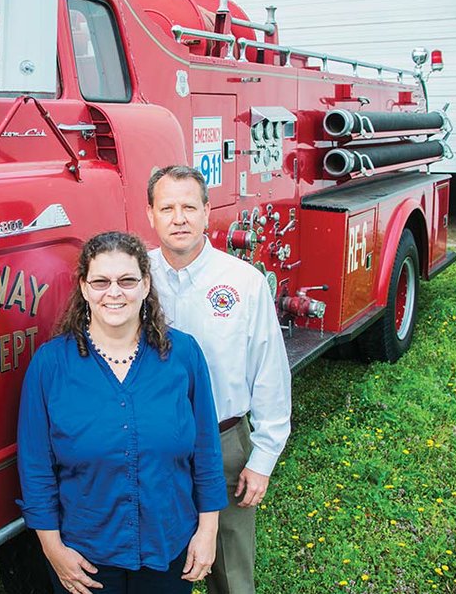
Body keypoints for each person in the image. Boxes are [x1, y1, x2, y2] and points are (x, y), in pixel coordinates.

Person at [17, 231, 228, 594]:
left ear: (146, 285)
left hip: (168, 546)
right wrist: (53, 550)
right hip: (85, 557)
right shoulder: (50, 366)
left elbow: (206, 453)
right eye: (100, 281)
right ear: (84, 288)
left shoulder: (184, 356)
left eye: (127, 280)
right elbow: (36, 469)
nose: (114, 292)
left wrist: (207, 533)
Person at [146, 166, 292, 594]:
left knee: (231, 571)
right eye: (167, 207)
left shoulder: (242, 282)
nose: (179, 218)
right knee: (158, 565)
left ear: (208, 212)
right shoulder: (135, 278)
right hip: (155, 442)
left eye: (189, 206)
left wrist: (262, 458)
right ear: (150, 214)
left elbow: (269, 373)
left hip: (225, 441)